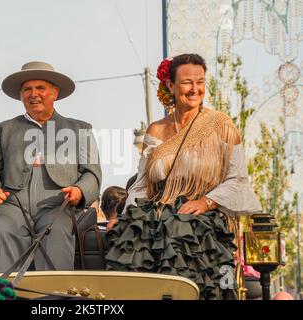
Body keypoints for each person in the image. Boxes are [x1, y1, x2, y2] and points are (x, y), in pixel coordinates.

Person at [105, 54, 262, 300]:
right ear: (171, 85)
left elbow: (238, 179)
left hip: (205, 216)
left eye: (200, 82)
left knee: (180, 225)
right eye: (188, 82)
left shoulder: (221, 124)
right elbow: (142, 184)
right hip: (157, 214)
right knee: (128, 237)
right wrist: (125, 217)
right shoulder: (155, 130)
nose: (195, 89)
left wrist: (205, 202)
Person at [0, 61, 102, 272]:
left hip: (58, 205)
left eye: (40, 88)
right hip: (13, 205)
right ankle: (2, 294)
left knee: (57, 233)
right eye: (27, 89)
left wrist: (80, 190)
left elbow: (92, 172)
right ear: (21, 95)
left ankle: (56, 300)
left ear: (54, 92)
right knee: (1, 230)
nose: (33, 94)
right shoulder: (5, 129)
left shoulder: (79, 128)